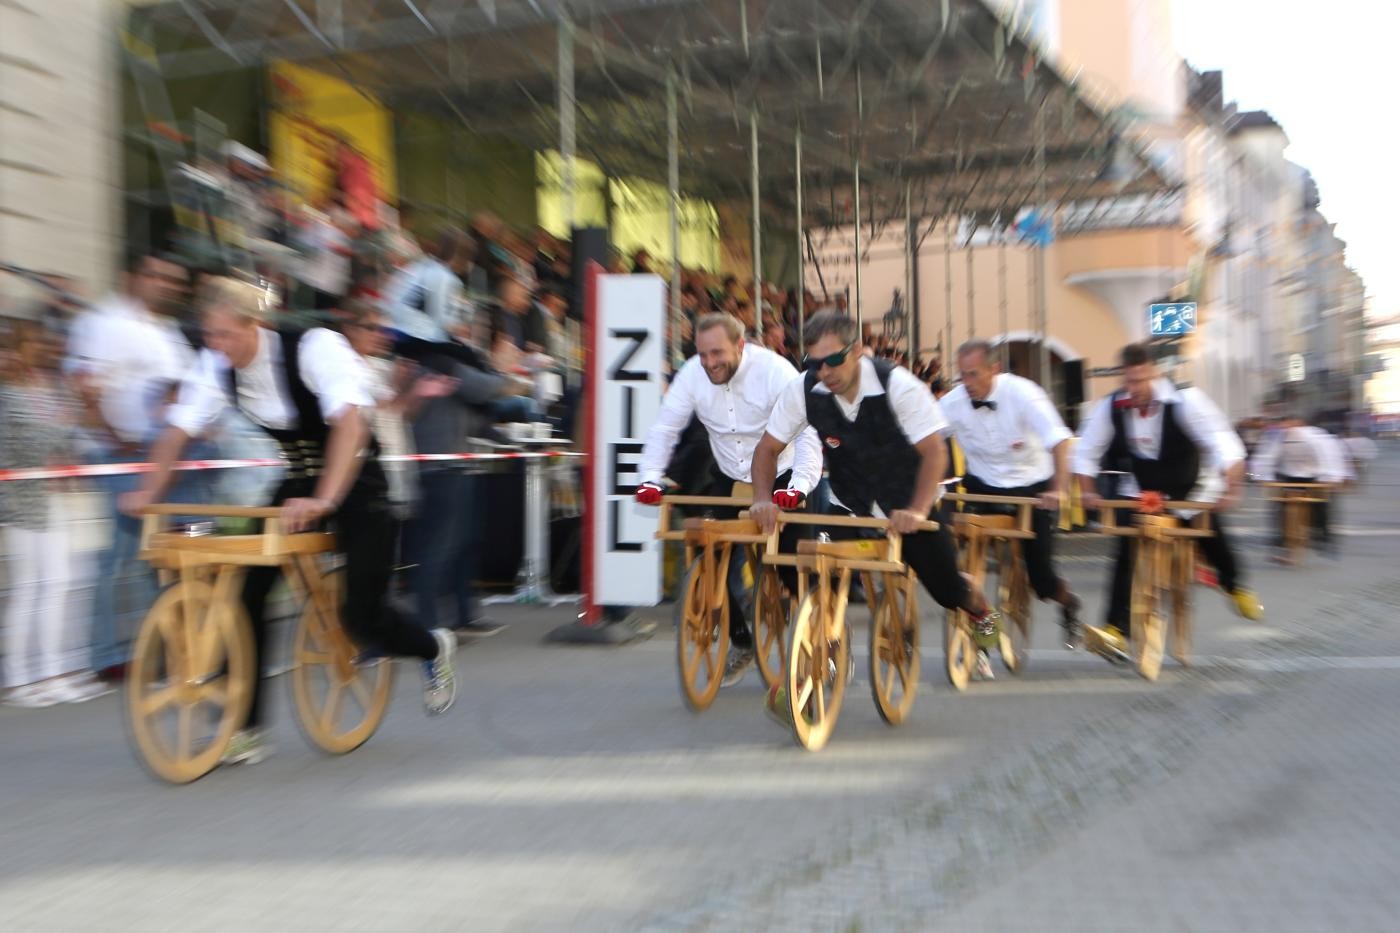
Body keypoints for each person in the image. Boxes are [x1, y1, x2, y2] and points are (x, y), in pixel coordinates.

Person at [121, 277, 458, 766]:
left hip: (360, 481)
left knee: (361, 616)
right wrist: (148, 493)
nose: (215, 346)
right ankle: (245, 728)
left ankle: (431, 647)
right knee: (245, 594)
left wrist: (323, 499)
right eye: (209, 336)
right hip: (300, 483)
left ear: (255, 324)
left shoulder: (316, 348)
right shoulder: (217, 364)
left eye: (225, 335)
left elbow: (350, 425)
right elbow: (177, 430)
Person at [750, 311, 998, 694]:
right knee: (804, 557)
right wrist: (762, 500)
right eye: (814, 363)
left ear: (859, 351)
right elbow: (767, 450)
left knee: (947, 591)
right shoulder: (802, 391)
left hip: (911, 499)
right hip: (851, 503)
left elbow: (934, 453)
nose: (825, 371)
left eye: (834, 359)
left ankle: (982, 611)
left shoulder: (897, 384)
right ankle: (829, 645)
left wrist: (915, 510)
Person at [635, 313, 823, 684]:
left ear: (741, 345)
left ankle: (826, 634)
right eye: (702, 354)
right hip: (729, 473)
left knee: (791, 566)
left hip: (782, 474)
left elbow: (807, 434)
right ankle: (741, 640)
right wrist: (649, 478)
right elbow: (665, 428)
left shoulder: (775, 371)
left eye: (717, 353)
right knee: (711, 557)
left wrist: (797, 486)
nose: (709, 363)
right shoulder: (691, 373)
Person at [1074, 343, 1262, 653]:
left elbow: (1222, 442)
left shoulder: (1186, 401)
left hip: (1189, 489)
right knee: (1124, 550)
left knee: (1211, 531)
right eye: (1128, 381)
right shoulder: (1112, 406)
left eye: (1139, 380)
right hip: (1140, 493)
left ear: (1154, 373)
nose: (1132, 389)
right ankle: (1115, 630)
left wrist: (1231, 486)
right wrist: (1087, 491)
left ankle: (1235, 586)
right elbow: (1086, 450)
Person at [66, 252, 195, 681]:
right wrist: (114, 437)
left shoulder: (168, 331)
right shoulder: (109, 323)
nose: (166, 285)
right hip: (120, 454)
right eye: (156, 276)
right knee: (117, 559)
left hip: (158, 456)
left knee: (152, 556)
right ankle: (106, 656)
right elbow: (86, 386)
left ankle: (152, 650)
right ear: (131, 277)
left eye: (173, 279)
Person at [940, 339, 1083, 655]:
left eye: (974, 375)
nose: (967, 384)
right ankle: (981, 622)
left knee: (1041, 580)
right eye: (962, 376)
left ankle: (1068, 602)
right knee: (952, 543)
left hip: (1033, 487)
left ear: (994, 369)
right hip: (983, 484)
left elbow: (1059, 441)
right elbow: (924, 439)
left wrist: (1058, 489)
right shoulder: (952, 403)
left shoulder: (1023, 394)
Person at [1, 321, 109, 706]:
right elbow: (31, 445)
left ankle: (50, 672)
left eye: (43, 341)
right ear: (16, 347)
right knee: (29, 589)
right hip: (23, 503)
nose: (42, 348)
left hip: (51, 501)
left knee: (56, 585)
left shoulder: (44, 390)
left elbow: (65, 440)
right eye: (32, 341)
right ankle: (20, 678)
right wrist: (70, 414)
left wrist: (76, 410)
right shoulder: (8, 395)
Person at [1250, 413, 1350, 563]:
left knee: (1321, 510)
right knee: (1280, 511)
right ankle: (1284, 544)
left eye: (1289, 424)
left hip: (1314, 477)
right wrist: (1262, 477)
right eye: (1283, 425)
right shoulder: (1279, 437)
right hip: (1289, 477)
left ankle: (1322, 538)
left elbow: (1329, 456)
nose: (1285, 428)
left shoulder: (1315, 437)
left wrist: (1332, 477)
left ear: (1298, 423)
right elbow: (1267, 457)